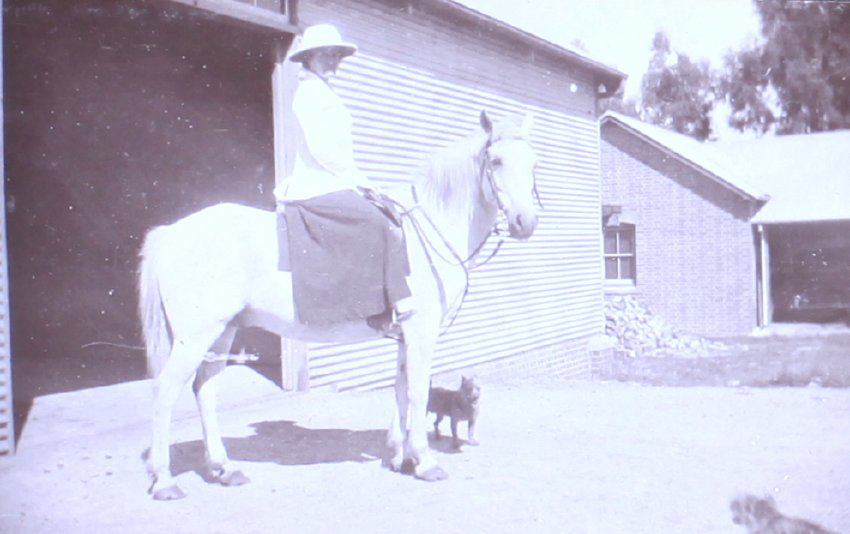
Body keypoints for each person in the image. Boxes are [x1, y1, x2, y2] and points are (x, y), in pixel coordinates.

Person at [275, 24, 413, 333]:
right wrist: (358, 180)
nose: (333, 60)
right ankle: (391, 303)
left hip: (334, 181)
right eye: (327, 54)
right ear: (309, 57)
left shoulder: (324, 91)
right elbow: (322, 150)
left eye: (337, 54)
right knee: (374, 221)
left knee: (389, 213)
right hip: (315, 184)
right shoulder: (309, 94)